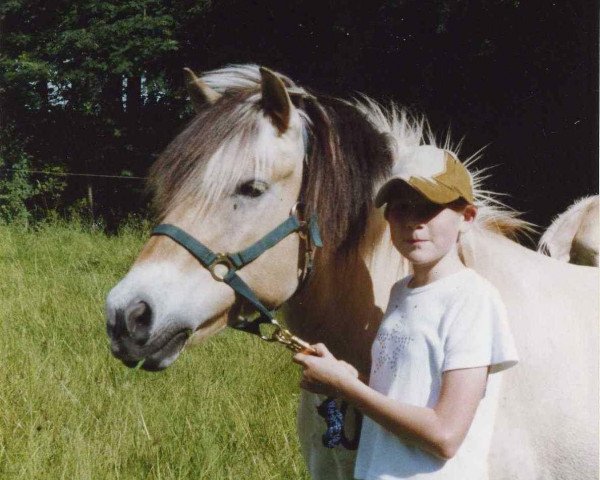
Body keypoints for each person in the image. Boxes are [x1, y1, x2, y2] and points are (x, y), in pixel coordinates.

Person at [293, 146, 518, 479]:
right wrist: (348, 379)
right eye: (400, 208)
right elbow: (402, 396)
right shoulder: (401, 293)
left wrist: (347, 387)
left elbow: (445, 436)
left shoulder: (473, 300)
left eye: (429, 207)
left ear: (466, 217)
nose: (414, 222)